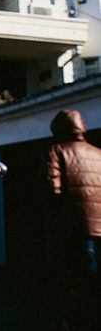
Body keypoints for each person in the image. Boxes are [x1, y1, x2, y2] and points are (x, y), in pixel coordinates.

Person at [45, 109, 101, 283]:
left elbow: (52, 187)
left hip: (73, 224)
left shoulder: (57, 150)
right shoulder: (98, 153)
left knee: (77, 275)